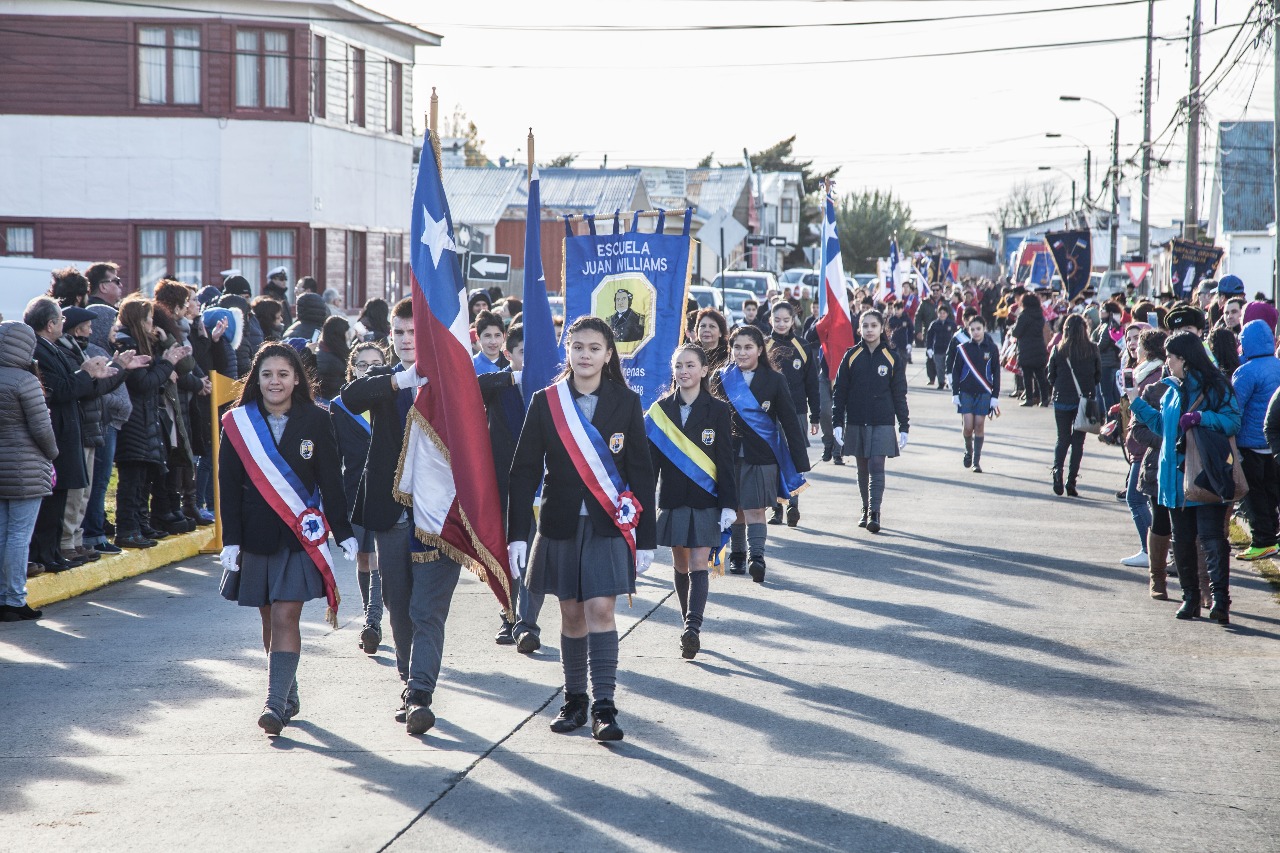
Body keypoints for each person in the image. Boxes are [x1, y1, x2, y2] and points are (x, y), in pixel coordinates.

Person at [507, 316, 657, 741]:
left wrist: (647, 538)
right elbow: (523, 473)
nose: (585, 355)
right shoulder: (546, 401)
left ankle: (605, 705)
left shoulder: (626, 403)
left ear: (609, 354)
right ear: (567, 352)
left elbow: (641, 473)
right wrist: (517, 532)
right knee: (571, 614)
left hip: (608, 526)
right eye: (577, 347)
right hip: (559, 524)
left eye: (594, 348)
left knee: (601, 611)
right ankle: (575, 700)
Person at [218, 342, 357, 734]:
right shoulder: (237, 422)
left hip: (300, 538)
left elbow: (332, 480)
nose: (274, 382)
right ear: (255, 380)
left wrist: (342, 531)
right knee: (268, 619)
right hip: (256, 537)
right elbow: (228, 485)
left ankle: (273, 705)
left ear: (297, 378)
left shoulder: (317, 419)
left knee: (285, 616)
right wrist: (231, 540)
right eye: (266, 375)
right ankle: (287, 692)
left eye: (282, 374)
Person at [341, 297, 463, 735]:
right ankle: (409, 683)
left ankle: (420, 694)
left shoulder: (453, 376)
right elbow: (349, 398)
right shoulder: (383, 379)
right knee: (397, 608)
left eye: (415, 332)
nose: (407, 340)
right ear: (389, 336)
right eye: (399, 332)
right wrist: (399, 381)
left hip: (439, 514)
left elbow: (485, 391)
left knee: (426, 608)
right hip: (393, 513)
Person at [1128, 331, 1241, 624]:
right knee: (1181, 541)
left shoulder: (1216, 387)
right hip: (1173, 480)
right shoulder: (1169, 390)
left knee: (1212, 540)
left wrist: (1203, 418)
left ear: (1185, 360)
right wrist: (1137, 404)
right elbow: (1165, 429)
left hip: (1205, 475)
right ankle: (1190, 598)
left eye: (1171, 357)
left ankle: (1220, 601)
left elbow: (1233, 421)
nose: (1167, 362)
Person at [646, 344, 737, 660]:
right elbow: (650, 466)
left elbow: (725, 462)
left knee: (700, 563)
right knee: (681, 564)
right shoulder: (659, 412)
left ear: (703, 370)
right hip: (672, 500)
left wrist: (729, 504)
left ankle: (692, 629)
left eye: (690, 365)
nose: (684, 371)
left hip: (706, 500)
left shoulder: (719, 410)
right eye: (678, 366)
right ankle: (688, 621)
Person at [24, 297, 119, 571]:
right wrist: (86, 373)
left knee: (65, 493)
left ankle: (53, 552)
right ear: (50, 323)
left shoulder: (52, 348)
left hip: (68, 430)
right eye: (61, 320)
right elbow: (60, 389)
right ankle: (45, 553)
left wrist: (95, 375)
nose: (65, 324)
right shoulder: (39, 351)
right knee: (55, 498)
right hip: (57, 432)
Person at [710, 325, 809, 582]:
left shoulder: (775, 379)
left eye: (748, 347)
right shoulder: (720, 377)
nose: (742, 353)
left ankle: (757, 557)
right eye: (737, 347)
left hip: (762, 455)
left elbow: (788, 420)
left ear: (760, 350)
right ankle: (738, 554)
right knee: (736, 507)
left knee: (755, 508)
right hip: (727, 455)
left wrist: (799, 460)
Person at [329, 342, 388, 656]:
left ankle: (373, 620)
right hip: (355, 490)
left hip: (389, 490)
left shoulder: (391, 396)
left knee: (379, 555)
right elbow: (333, 456)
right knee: (364, 557)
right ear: (352, 369)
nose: (369, 370)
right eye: (362, 365)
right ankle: (370, 616)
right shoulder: (339, 406)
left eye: (375, 363)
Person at [112, 296, 185, 549]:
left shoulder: (141, 344)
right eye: (149, 319)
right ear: (137, 320)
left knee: (143, 479)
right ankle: (127, 529)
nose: (152, 324)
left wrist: (164, 360)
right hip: (134, 423)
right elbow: (142, 383)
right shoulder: (126, 344)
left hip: (144, 420)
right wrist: (167, 363)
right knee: (131, 482)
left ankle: (139, 525)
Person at [0, 322, 59, 621]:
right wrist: (53, 454)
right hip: (25, 467)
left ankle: (2, 597)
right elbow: (41, 428)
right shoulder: (25, 381)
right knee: (19, 536)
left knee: (2, 534)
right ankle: (14, 599)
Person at [832, 310, 910, 532]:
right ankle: (865, 508)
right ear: (859, 328)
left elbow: (899, 394)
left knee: (877, 463)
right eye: (864, 325)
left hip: (883, 420)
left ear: (881, 327)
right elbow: (840, 391)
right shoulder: (851, 355)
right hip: (857, 419)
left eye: (873, 325)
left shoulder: (893, 357)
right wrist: (838, 421)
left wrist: (904, 425)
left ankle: (875, 512)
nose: (869, 330)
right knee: (863, 466)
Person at [767, 302, 819, 527]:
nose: (781, 324)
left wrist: (815, 415)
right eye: (777, 320)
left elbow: (812, 384)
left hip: (797, 412)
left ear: (793, 321)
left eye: (785, 320)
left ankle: (793, 505)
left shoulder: (803, 346)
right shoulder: (763, 344)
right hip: (769, 414)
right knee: (773, 460)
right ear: (771, 320)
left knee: (794, 459)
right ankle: (776, 508)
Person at [1128, 329, 1172, 597]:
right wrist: (1166, 441)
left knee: (1187, 526)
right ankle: (1158, 580)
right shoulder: (1155, 389)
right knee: (1160, 521)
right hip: (1157, 464)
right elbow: (1139, 428)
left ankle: (1197, 589)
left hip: (1185, 467)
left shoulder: (1196, 389)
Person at [1232, 320, 1280, 561]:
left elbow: (1235, 408)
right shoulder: (1278, 366)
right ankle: (1273, 535)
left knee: (1253, 494)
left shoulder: (1246, 371)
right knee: (1272, 491)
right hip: (1273, 444)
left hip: (1250, 444)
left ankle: (1263, 540)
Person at [1047, 315, 1102, 497]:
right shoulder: (1093, 349)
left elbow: (1050, 375)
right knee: (1078, 442)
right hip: (1084, 401)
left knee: (1062, 439)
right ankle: (1072, 481)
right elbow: (1098, 376)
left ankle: (1057, 472)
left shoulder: (1058, 349)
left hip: (1062, 398)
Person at [949, 314, 1001, 473]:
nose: (976, 332)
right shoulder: (963, 348)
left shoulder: (992, 348)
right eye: (972, 329)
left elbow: (996, 372)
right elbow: (956, 371)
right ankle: (968, 450)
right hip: (966, 392)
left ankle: (976, 461)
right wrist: (955, 393)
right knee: (968, 427)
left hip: (984, 393)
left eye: (978, 329)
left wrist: (995, 396)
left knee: (979, 425)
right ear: (968, 330)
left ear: (984, 329)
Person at [217, 276, 265, 379]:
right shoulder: (228, 320)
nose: (247, 301)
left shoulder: (252, 317)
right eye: (243, 297)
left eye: (248, 297)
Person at [1011, 292, 1049, 407]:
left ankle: (1029, 399)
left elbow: (1016, 332)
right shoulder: (1040, 316)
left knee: (1027, 376)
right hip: (1039, 347)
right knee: (1040, 376)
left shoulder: (1023, 315)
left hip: (1026, 348)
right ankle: (1044, 399)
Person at [1093, 301, 1125, 411]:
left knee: (1106, 394)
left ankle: (1110, 418)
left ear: (1109, 313)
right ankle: (1115, 419)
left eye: (1103, 310)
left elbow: (1102, 344)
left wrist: (1091, 347)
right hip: (1114, 362)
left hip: (1106, 363)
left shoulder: (1108, 326)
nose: (1100, 312)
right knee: (1113, 394)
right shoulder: (1114, 325)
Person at [314, 315, 351, 402]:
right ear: (339, 334)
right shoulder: (331, 360)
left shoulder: (327, 350)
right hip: (330, 403)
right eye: (347, 332)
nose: (349, 336)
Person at [926, 304, 957, 392]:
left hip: (949, 350)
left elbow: (956, 336)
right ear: (937, 313)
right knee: (939, 367)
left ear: (947, 314)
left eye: (944, 313)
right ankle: (941, 383)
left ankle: (948, 382)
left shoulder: (951, 324)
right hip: (937, 350)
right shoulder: (934, 324)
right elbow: (929, 337)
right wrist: (929, 348)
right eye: (940, 313)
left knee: (949, 367)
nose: (942, 315)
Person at [694, 307, 729, 373]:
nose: (707, 330)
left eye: (712, 326)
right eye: (703, 326)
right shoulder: (690, 352)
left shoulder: (728, 356)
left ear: (720, 333)